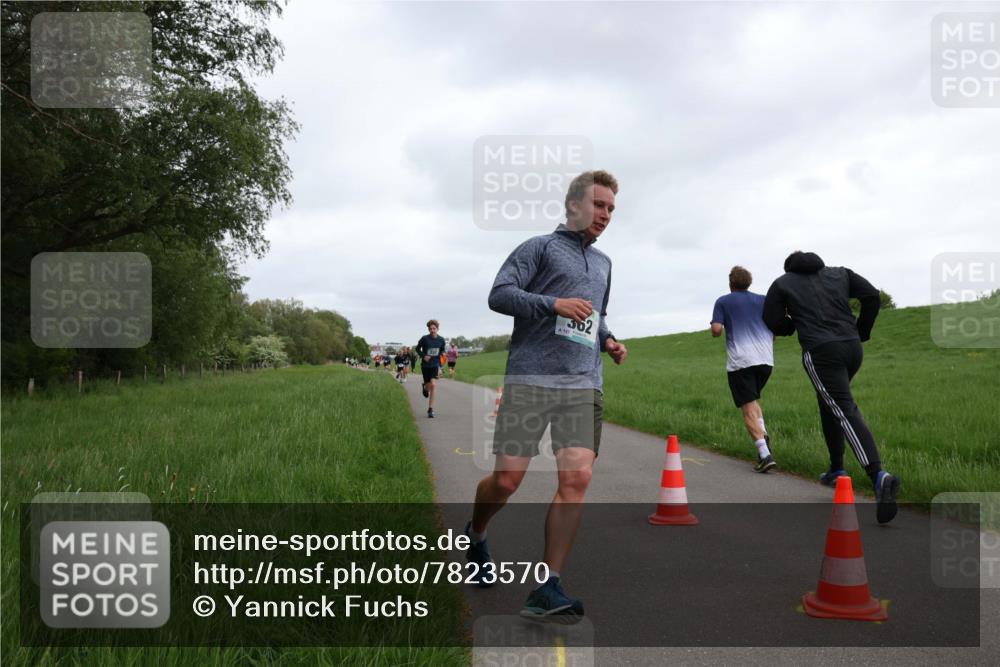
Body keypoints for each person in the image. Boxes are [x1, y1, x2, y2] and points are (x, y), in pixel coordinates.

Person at [464, 170, 628, 620]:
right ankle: (475, 534)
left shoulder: (604, 264)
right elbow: (500, 295)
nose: (606, 215)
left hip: (582, 385)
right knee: (507, 481)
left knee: (576, 479)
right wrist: (552, 303)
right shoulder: (537, 248)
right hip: (530, 380)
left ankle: (547, 587)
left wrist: (608, 340)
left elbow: (597, 315)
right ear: (574, 205)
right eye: (599, 205)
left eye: (612, 209)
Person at [763, 251, 900, 524]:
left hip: (821, 351)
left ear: (789, 268)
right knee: (830, 403)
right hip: (852, 348)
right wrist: (862, 331)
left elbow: (773, 320)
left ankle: (878, 475)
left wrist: (791, 323)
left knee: (842, 407)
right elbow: (872, 296)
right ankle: (836, 469)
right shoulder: (841, 273)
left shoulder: (782, 283)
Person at [711, 266, 776, 473]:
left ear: (731, 283)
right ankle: (763, 435)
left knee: (747, 407)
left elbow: (716, 330)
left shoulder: (723, 301)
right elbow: (775, 331)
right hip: (766, 361)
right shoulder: (764, 300)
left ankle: (765, 455)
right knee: (753, 401)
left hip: (741, 362)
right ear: (749, 282)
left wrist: (719, 325)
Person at [415, 320, 446, 418]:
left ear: (437, 329)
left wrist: (443, 353)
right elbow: (417, 349)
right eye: (430, 329)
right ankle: (425, 387)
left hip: (435, 365)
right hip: (425, 366)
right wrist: (423, 356)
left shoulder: (441, 340)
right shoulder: (424, 339)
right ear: (428, 329)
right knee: (428, 386)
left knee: (433, 385)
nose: (432, 330)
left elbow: (442, 349)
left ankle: (430, 409)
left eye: (434, 328)